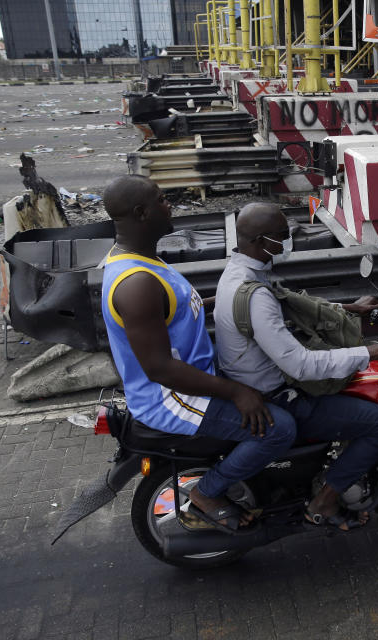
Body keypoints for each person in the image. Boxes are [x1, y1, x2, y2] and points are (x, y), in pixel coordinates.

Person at [101, 176, 295, 533]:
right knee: (278, 429)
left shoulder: (144, 260)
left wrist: (234, 302)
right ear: (142, 213)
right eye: (162, 200)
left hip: (190, 380)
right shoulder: (137, 283)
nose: (169, 204)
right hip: (171, 397)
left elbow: (177, 311)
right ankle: (208, 493)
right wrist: (238, 392)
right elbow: (160, 368)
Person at [214, 202, 378, 531]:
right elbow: (301, 366)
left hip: (254, 379)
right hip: (277, 395)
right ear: (261, 241)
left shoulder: (239, 272)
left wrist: (350, 307)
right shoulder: (255, 295)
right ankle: (325, 500)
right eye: (283, 236)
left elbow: (291, 300)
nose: (289, 241)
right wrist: (375, 349)